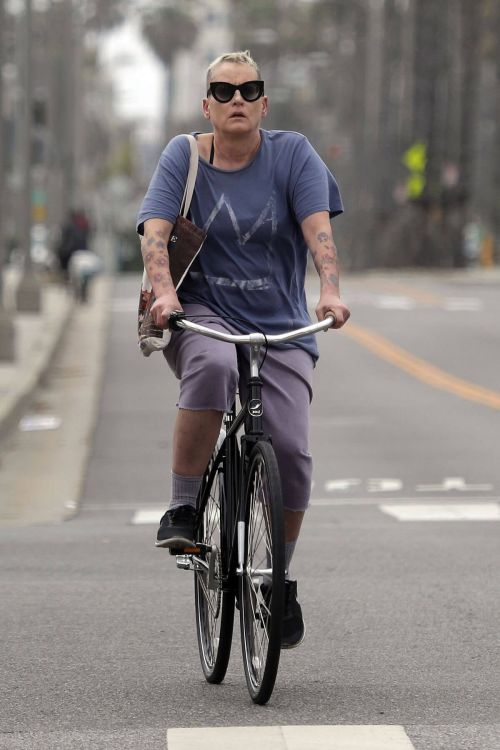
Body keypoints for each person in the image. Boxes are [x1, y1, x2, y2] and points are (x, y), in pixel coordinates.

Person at [136, 51, 350, 649]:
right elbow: (156, 231)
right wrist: (163, 294)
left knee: (291, 449)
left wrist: (329, 289)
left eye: (248, 90)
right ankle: (183, 509)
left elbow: (319, 230)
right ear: (207, 105)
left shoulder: (293, 154)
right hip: (199, 315)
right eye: (223, 92)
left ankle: (276, 577)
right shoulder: (183, 156)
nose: (236, 100)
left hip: (279, 323)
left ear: (263, 104)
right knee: (209, 368)